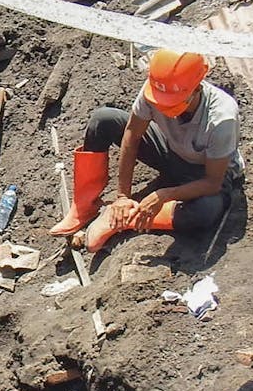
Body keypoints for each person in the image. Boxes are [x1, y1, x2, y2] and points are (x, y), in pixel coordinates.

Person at [48, 49, 242, 252]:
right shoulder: (157, 88)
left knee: (206, 211)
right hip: (171, 151)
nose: (163, 106)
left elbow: (212, 183)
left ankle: (125, 219)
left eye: (171, 103)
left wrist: (163, 195)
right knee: (103, 120)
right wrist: (122, 196)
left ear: (195, 89)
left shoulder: (221, 118)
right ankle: (84, 207)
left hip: (204, 172)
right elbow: (132, 136)